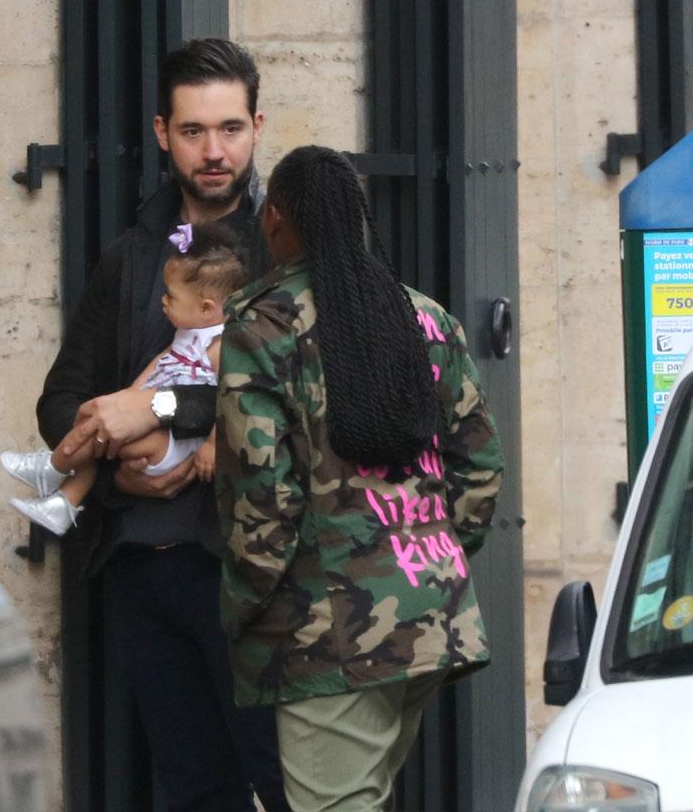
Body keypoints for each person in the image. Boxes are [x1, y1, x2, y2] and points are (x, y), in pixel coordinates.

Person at [33, 38, 286, 812]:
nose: (214, 151)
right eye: (193, 131)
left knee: (286, 784)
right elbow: (60, 400)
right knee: (190, 788)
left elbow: (302, 395)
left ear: (257, 126)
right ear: (160, 133)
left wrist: (164, 407)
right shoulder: (132, 258)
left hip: (249, 568)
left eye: (231, 129)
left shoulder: (285, 253)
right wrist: (116, 441)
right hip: (141, 564)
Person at [215, 145, 505, 812]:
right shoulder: (427, 319)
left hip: (329, 635)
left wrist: (240, 605)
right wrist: (427, 555)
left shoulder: (262, 328)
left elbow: (267, 495)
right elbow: (480, 466)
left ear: (280, 219)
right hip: (429, 611)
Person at [1, 222, 247, 535]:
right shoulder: (187, 334)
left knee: (97, 440)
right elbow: (161, 362)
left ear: (206, 307)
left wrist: (213, 445)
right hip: (161, 429)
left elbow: (233, 396)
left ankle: (52, 467)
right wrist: (127, 397)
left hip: (175, 444)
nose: (163, 301)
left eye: (170, 296)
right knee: (98, 426)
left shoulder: (220, 346)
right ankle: (63, 503)